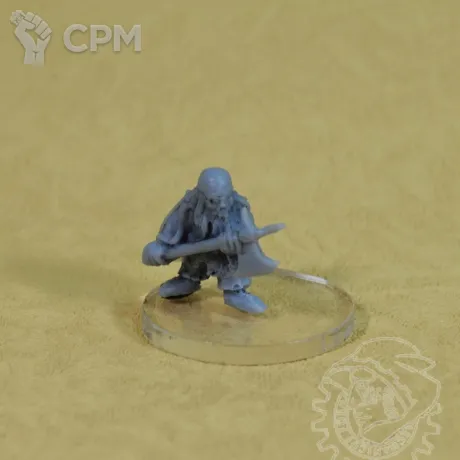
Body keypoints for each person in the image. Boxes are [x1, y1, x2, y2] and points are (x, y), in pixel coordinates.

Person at [142, 167, 267, 314]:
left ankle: (235, 292)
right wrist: (162, 245)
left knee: (233, 265)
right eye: (214, 201)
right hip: (195, 249)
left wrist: (240, 241)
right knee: (193, 263)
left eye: (226, 198)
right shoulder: (189, 205)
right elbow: (174, 224)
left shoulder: (238, 207)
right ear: (201, 196)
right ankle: (189, 279)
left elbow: (248, 231)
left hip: (226, 255)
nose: (222, 205)